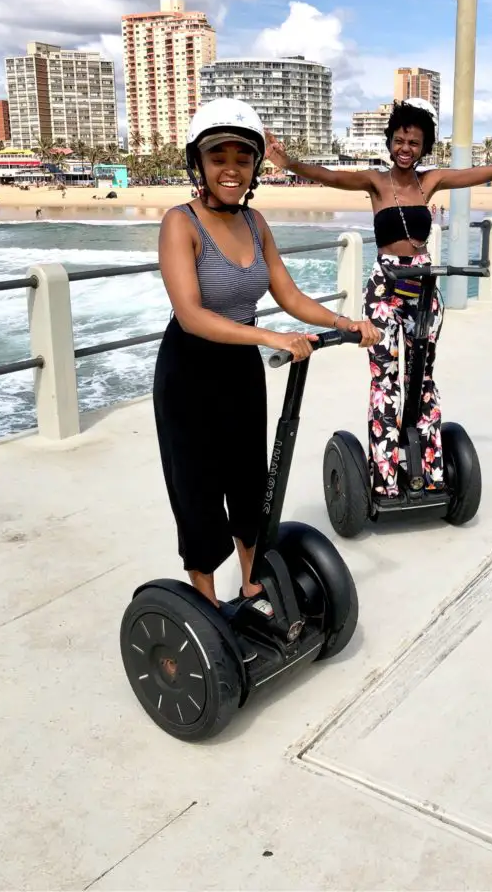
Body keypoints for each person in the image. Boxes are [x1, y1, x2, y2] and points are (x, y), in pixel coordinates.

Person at [266, 101, 492, 499]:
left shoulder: (429, 182)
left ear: (423, 147)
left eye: (413, 142)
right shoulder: (374, 182)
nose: (405, 147)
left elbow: (490, 171)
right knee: (386, 381)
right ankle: (383, 478)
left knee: (423, 378)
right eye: (399, 139)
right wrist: (286, 162)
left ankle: (429, 470)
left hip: (423, 287)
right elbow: (327, 175)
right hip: (385, 286)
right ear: (390, 142)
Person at [155, 97, 379, 615]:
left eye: (242, 158)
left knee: (250, 480)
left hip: (238, 370)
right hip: (189, 372)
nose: (230, 168)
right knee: (198, 489)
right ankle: (206, 608)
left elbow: (290, 295)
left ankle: (253, 586)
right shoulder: (180, 223)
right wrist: (270, 338)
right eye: (218, 158)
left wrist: (346, 323)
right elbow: (189, 314)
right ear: (200, 165)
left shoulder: (256, 224)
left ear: (255, 166)